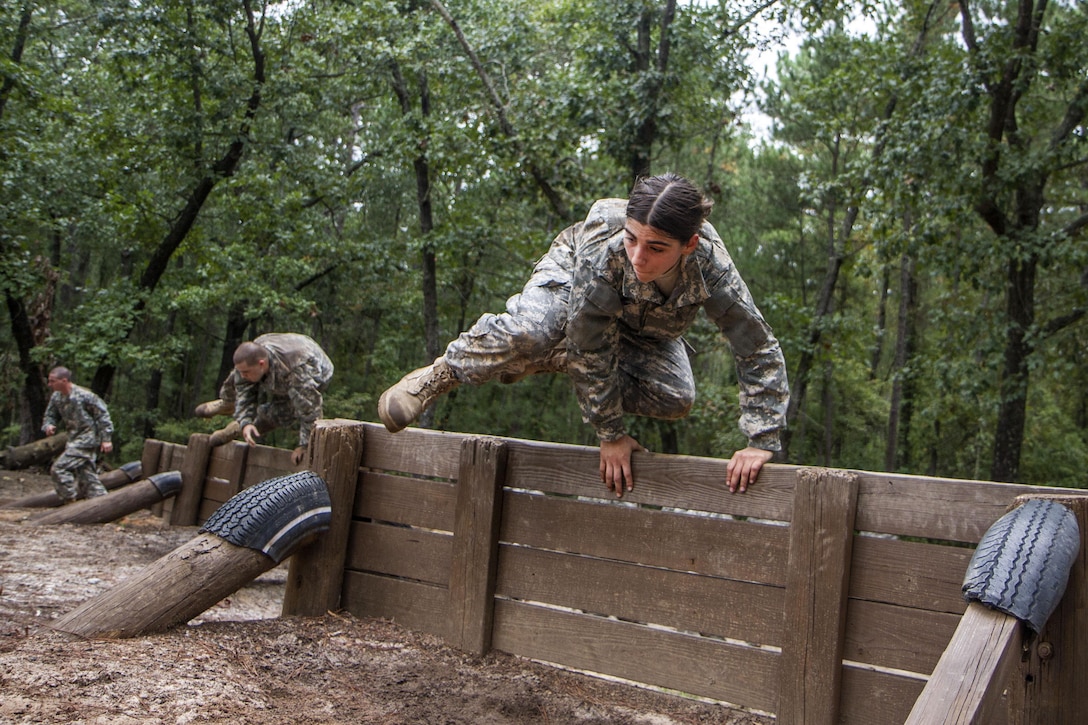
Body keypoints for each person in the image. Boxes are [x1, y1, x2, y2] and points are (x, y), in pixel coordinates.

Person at [379, 172, 789, 496]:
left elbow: (755, 345)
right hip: (571, 279)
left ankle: (557, 357)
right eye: (632, 239)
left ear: (689, 245)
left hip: (643, 327)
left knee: (675, 396)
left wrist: (761, 439)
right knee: (533, 333)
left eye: (657, 248)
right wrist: (610, 434)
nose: (639, 257)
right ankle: (443, 372)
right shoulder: (605, 249)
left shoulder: (712, 268)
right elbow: (588, 338)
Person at [196, 333, 334, 465]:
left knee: (286, 411)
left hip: (314, 370)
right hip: (281, 354)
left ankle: (238, 428)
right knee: (238, 377)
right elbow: (245, 390)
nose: (243, 375)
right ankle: (228, 402)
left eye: (246, 372)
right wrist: (246, 421)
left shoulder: (297, 372)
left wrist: (304, 445)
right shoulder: (254, 355)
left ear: (262, 364)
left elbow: (310, 411)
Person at [41, 366, 114, 503]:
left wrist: (106, 439)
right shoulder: (56, 397)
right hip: (73, 439)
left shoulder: (85, 396)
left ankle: (70, 501)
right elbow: (50, 415)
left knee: (59, 468)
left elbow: (103, 416)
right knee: (87, 477)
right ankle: (105, 505)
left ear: (64, 381)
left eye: (52, 381)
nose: (49, 384)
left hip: (88, 439)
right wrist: (49, 425)